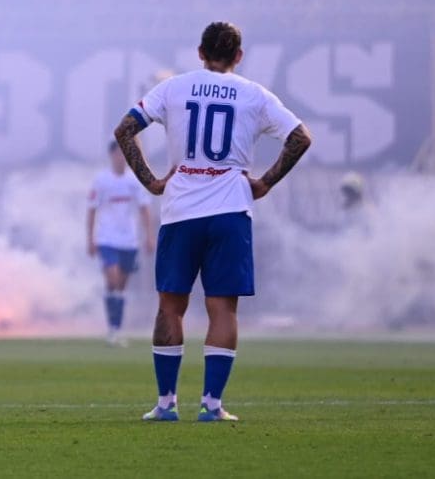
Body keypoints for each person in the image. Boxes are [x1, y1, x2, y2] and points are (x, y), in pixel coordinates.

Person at [113, 21, 312, 422]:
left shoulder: (173, 87)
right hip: (229, 211)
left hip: (181, 210)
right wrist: (266, 182)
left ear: (199, 53)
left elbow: (124, 130)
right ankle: (212, 405)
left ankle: (166, 404)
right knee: (223, 309)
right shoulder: (255, 95)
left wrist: (151, 181)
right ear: (239, 56)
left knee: (171, 307)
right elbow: (300, 137)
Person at [87, 141, 156, 346]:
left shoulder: (134, 180)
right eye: (118, 154)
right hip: (107, 239)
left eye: (124, 154)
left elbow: (144, 209)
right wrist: (90, 239)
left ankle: (116, 328)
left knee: (120, 286)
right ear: (111, 156)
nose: (121, 158)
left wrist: (149, 236)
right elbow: (92, 209)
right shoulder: (101, 181)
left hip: (129, 240)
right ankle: (113, 329)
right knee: (114, 278)